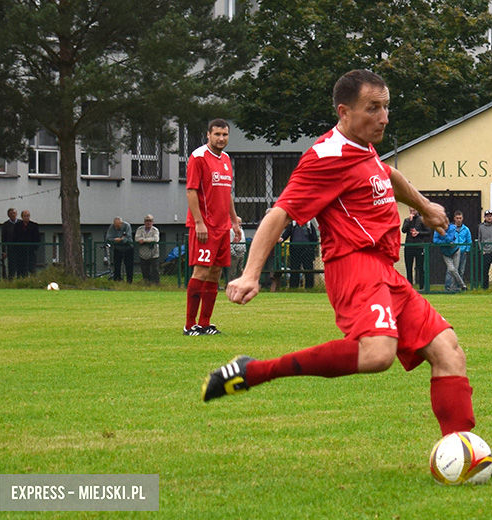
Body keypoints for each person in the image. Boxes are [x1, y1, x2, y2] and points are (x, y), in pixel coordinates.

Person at [203, 69, 476, 441]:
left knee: (449, 350)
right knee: (377, 354)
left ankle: (463, 453)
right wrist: (251, 273)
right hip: (354, 266)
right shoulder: (324, 157)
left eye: (386, 107)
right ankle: (256, 371)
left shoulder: (363, 147)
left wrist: (425, 206)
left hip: (385, 269)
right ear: (344, 112)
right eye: (373, 108)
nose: (383, 118)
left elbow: (387, 174)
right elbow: (279, 212)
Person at [184, 118, 241, 336]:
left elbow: (227, 194)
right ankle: (189, 325)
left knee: (216, 273)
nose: (221, 138)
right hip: (205, 226)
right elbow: (191, 191)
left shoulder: (226, 159)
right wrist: (199, 222)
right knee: (201, 271)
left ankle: (205, 323)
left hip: (222, 226)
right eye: (217, 134)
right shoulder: (198, 157)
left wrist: (234, 221)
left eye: (224, 134)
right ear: (208, 135)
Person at [280, 219, 319, 289]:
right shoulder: (293, 225)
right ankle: (293, 287)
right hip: (295, 251)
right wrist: (281, 239)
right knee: (295, 269)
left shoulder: (309, 225)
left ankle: (309, 288)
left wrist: (311, 248)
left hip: (307, 251)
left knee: (308, 269)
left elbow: (314, 238)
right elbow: (286, 234)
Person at [434, 220, 467, 292]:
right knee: (452, 269)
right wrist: (445, 242)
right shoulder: (437, 230)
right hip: (445, 253)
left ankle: (453, 288)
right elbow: (435, 240)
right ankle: (463, 285)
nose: (445, 227)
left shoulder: (452, 228)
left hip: (455, 251)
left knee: (455, 270)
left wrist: (444, 235)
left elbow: (450, 239)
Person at [401, 207, 431, 289]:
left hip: (419, 247)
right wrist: (409, 222)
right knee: (409, 267)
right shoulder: (407, 220)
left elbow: (428, 232)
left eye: (414, 210)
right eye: (411, 211)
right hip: (409, 247)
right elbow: (403, 230)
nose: (412, 212)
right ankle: (409, 287)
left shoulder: (422, 220)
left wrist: (419, 233)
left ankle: (422, 287)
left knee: (420, 268)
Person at [12, 210, 41, 277]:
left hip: (30, 251)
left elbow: (37, 239)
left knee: (31, 268)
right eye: (25, 216)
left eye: (28, 216)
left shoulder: (34, 226)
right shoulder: (17, 226)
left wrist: (34, 249)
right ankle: (21, 280)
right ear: (22, 217)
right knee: (20, 269)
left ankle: (32, 281)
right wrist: (16, 249)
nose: (26, 217)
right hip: (20, 251)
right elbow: (14, 238)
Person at [106, 216, 133, 283]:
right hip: (117, 248)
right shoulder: (112, 227)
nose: (116, 228)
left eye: (118, 226)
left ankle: (129, 281)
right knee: (117, 265)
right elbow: (108, 238)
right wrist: (115, 240)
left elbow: (128, 238)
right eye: (115, 226)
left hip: (128, 248)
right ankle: (117, 280)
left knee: (129, 265)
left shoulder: (127, 226)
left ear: (121, 223)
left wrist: (121, 239)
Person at [449, 210, 472, 291]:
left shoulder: (466, 229)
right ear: (454, 218)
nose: (459, 220)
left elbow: (469, 241)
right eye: (457, 218)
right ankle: (449, 287)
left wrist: (467, 250)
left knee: (461, 270)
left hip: (462, 252)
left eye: (460, 218)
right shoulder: (450, 228)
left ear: (462, 218)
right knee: (452, 270)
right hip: (453, 252)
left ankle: (459, 287)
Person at [135, 214, 160, 285]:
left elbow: (155, 239)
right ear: (144, 222)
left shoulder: (155, 230)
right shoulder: (140, 229)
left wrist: (144, 240)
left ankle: (156, 284)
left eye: (150, 221)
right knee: (145, 269)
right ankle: (146, 283)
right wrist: (144, 240)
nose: (148, 223)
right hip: (143, 253)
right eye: (147, 221)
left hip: (153, 253)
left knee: (154, 269)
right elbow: (137, 238)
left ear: (152, 222)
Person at [1, 207, 19, 280]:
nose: (13, 215)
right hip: (11, 248)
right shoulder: (6, 225)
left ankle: (21, 279)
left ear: (16, 214)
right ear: (8, 215)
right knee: (11, 264)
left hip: (20, 248)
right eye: (11, 214)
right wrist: (4, 251)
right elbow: (3, 238)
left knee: (21, 264)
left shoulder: (20, 223)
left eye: (14, 213)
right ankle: (11, 280)